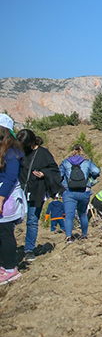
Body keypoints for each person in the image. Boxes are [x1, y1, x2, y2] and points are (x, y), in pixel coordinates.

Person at [16, 129, 63, 262]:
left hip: (36, 191)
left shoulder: (43, 153)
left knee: (32, 221)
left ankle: (29, 250)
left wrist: (44, 174)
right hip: (19, 191)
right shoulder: (20, 153)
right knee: (10, 221)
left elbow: (54, 170)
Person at [0, 114, 26, 285]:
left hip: (8, 198)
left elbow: (10, 178)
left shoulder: (12, 153)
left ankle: (10, 269)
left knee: (5, 233)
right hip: (4, 196)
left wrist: (1, 199)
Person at [59, 143, 101, 244]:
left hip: (69, 192)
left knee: (69, 215)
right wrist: (90, 180)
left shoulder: (65, 162)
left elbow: (59, 175)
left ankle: (68, 237)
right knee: (82, 214)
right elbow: (96, 171)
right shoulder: (87, 162)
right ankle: (84, 235)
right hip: (84, 191)